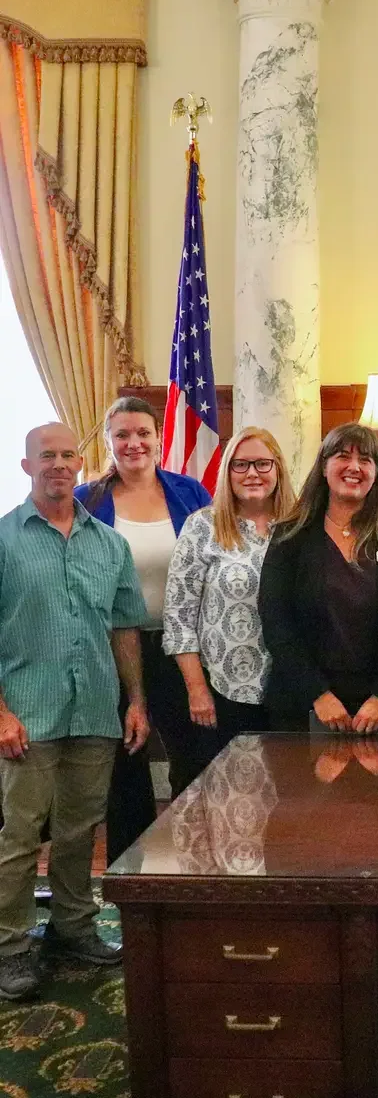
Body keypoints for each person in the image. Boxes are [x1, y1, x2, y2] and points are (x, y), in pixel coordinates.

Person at [0, 423, 148, 1000]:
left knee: (79, 831)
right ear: (26, 466)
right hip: (26, 717)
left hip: (94, 711)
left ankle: (72, 928)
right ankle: (11, 947)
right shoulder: (5, 540)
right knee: (17, 838)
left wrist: (136, 702)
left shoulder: (109, 545)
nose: (58, 464)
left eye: (67, 455)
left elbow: (124, 628)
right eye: (47, 456)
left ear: (81, 464)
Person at [74, 396, 210, 863]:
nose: (134, 443)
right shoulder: (85, 500)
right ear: (110, 442)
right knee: (124, 769)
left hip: (183, 651)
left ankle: (197, 870)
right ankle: (128, 878)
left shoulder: (190, 493)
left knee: (194, 761)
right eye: (122, 435)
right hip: (111, 651)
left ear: (159, 438)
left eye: (143, 433)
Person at [258, 423, 378, 730]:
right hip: (302, 709)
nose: (354, 467)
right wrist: (318, 695)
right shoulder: (290, 536)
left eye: (365, 459)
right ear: (324, 467)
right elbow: (276, 623)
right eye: (342, 456)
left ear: (377, 472)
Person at [163, 427, 296, 770]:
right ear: (227, 472)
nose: (252, 473)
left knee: (289, 801)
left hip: (289, 692)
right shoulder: (201, 527)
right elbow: (179, 618)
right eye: (241, 465)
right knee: (224, 798)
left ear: (278, 469)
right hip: (220, 690)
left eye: (263, 464)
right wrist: (196, 689)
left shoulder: (300, 529)